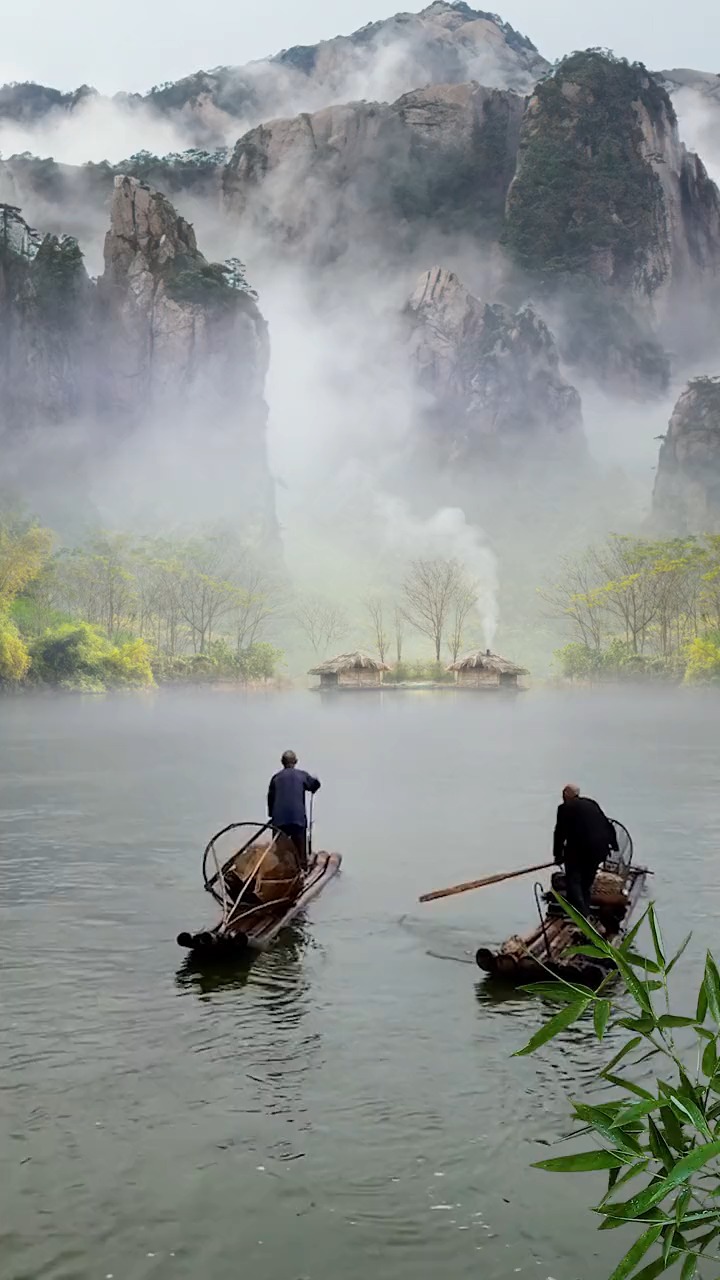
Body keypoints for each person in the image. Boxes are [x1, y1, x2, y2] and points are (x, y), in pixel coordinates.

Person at [552, 783, 618, 918]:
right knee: (586, 883)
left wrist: (558, 855)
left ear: (566, 795)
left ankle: (582, 915)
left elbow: (560, 833)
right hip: (600, 848)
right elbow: (607, 825)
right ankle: (584, 910)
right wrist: (614, 845)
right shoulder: (591, 803)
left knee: (573, 881)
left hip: (581, 849)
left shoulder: (565, 808)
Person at [267, 750, 320, 871]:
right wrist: (316, 782)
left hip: (279, 822)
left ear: (282, 762)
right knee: (300, 851)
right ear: (295, 762)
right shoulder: (302, 775)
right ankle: (302, 870)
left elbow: (270, 799)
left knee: (279, 853)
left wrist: (271, 815)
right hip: (298, 820)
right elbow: (314, 786)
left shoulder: (275, 778)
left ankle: (280, 872)